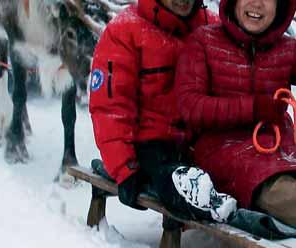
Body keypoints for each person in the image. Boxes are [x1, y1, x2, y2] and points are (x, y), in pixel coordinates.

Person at [89, 0, 237, 223]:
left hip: (198, 139)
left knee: (235, 165)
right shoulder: (125, 31)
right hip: (149, 143)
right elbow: (110, 108)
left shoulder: (211, 28)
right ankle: (210, 203)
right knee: (167, 174)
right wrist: (125, 169)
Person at [176, 0, 296, 227]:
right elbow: (190, 106)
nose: (257, 4)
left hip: (283, 150)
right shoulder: (204, 41)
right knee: (285, 196)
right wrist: (253, 108)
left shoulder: (288, 48)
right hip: (223, 153)